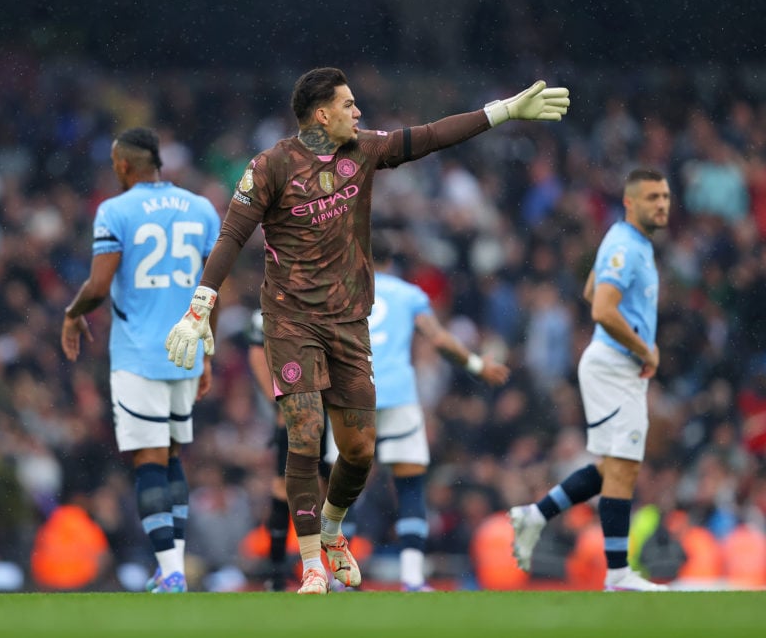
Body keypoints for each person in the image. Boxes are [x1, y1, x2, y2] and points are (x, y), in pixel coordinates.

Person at [165, 66, 569, 594]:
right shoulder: (270, 167)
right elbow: (230, 237)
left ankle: (332, 527)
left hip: (350, 322)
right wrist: (201, 303)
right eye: (349, 104)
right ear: (321, 114)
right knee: (304, 435)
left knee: (359, 452)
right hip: (290, 320)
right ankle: (311, 562)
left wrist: (505, 112)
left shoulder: (365, 149)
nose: (358, 112)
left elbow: (431, 136)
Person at [61, 127, 221, 594]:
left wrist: (72, 315)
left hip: (140, 353)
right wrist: (206, 350)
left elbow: (98, 285)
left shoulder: (115, 211)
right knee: (172, 457)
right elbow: (212, 289)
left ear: (125, 165)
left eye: (115, 163)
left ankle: (172, 573)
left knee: (148, 459)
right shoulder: (202, 208)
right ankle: (172, 566)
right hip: (186, 350)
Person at [509, 168, 672, 592]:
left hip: (612, 364)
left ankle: (535, 515)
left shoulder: (626, 241)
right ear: (630, 202)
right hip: (616, 365)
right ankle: (617, 573)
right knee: (624, 467)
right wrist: (644, 348)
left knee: (608, 467)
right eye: (652, 196)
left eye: (666, 196)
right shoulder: (626, 245)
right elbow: (600, 309)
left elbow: (589, 291)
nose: (662, 204)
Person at [324, 236, 509, 590]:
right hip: (398, 395)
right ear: (392, 261)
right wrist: (475, 363)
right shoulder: (408, 294)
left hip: (351, 396)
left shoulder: (336, 291)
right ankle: (412, 577)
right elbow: (438, 339)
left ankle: (338, 577)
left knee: (344, 490)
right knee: (409, 485)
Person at [247, 308, 331, 591]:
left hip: (330, 410)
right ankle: (277, 571)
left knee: (333, 487)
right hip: (296, 412)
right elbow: (257, 353)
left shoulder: (327, 303)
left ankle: (335, 569)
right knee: (284, 488)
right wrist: (279, 400)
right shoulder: (268, 309)